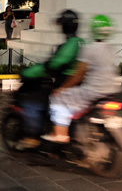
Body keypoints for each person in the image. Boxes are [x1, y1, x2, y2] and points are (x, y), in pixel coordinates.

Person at [44, 14, 122, 143]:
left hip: (92, 91)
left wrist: (62, 88)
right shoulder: (110, 48)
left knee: (58, 99)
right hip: (111, 91)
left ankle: (60, 134)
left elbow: (79, 74)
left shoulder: (90, 48)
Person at [18, 9, 83, 148]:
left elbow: (53, 65)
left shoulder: (69, 45)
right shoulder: (82, 42)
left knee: (33, 102)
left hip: (65, 85)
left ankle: (33, 136)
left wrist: (29, 73)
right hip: (81, 86)